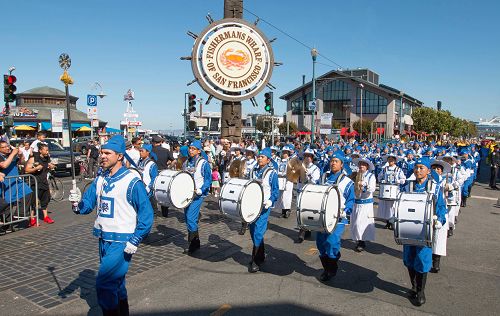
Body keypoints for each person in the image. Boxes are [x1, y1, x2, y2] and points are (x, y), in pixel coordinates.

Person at [69, 135, 153, 315]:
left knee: (105, 284)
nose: (102, 156)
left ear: (120, 156)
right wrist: (76, 203)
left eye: (107, 153)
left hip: (122, 242)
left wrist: (136, 239)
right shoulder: (100, 179)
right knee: (117, 284)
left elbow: (147, 216)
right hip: (103, 239)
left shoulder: (132, 182)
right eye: (101, 152)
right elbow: (87, 206)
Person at [395, 157, 447, 306]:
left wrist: (440, 220)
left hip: (425, 231)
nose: (418, 170)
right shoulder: (407, 187)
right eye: (416, 167)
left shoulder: (435, 187)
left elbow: (442, 207)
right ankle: (413, 286)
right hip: (408, 230)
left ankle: (421, 291)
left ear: (428, 171)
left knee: (422, 260)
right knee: (409, 259)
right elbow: (400, 204)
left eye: (421, 168)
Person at [317, 150, 355, 281]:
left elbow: (351, 200)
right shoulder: (322, 178)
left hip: (337, 218)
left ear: (342, 164)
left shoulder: (347, 182)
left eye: (336, 161)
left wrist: (346, 211)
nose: (333, 163)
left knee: (332, 242)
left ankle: (331, 269)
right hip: (321, 217)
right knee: (321, 244)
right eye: (332, 161)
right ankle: (326, 268)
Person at [248, 147, 279, 273]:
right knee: (252, 231)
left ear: (268, 160)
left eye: (262, 157)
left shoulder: (272, 173)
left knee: (258, 232)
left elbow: (275, 190)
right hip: (252, 206)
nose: (259, 158)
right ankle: (261, 254)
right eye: (259, 156)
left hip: (264, 207)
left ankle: (255, 261)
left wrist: (271, 200)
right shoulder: (253, 171)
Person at [182, 140, 211, 254]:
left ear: (199, 151)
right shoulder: (186, 162)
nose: (191, 150)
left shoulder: (203, 163)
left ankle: (192, 244)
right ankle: (196, 241)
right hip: (187, 193)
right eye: (190, 148)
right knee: (187, 218)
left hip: (198, 194)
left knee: (190, 218)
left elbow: (208, 179)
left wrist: (202, 189)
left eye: (193, 149)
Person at [0, 141, 32, 223]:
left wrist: (20, 155)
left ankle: (20, 213)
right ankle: (6, 222)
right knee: (7, 202)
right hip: (6, 183)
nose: (7, 148)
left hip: (16, 181)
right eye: (4, 147)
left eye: (8, 146)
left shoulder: (11, 155)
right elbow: (4, 165)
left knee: (28, 192)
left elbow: (22, 162)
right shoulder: (2, 156)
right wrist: (12, 154)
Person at [25, 142, 56, 225]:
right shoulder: (34, 158)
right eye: (45, 150)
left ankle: (46, 217)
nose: (47, 152)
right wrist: (35, 169)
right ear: (40, 150)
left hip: (44, 182)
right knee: (34, 202)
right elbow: (26, 170)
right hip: (35, 182)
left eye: (48, 150)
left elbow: (46, 168)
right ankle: (32, 219)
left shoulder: (47, 158)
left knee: (45, 200)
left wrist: (50, 167)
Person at [351, 157, 376, 252]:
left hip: (366, 203)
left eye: (364, 164)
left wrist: (365, 185)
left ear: (367, 166)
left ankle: (362, 241)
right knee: (355, 222)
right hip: (356, 202)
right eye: (360, 164)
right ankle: (358, 239)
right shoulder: (356, 175)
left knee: (361, 223)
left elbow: (372, 189)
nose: (361, 166)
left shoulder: (371, 176)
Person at [296, 148, 321, 243]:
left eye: (309, 156)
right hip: (300, 190)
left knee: (307, 211)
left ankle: (304, 231)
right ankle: (303, 230)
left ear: (312, 158)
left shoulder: (315, 168)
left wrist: (309, 175)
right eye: (305, 156)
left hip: (309, 192)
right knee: (299, 211)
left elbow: (315, 182)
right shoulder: (300, 166)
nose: (307, 158)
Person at [377, 154, 406, 229]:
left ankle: (393, 222)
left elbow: (403, 179)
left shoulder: (398, 170)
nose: (390, 161)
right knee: (387, 207)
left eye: (392, 160)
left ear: (395, 161)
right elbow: (379, 177)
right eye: (389, 159)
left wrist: (398, 181)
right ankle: (387, 222)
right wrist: (382, 180)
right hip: (386, 190)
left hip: (395, 190)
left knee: (393, 207)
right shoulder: (385, 169)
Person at [138, 144, 159, 212]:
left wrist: (148, 188)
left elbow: (154, 178)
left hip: (147, 191)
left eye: (142, 151)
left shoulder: (152, 164)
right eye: (140, 151)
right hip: (140, 189)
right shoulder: (139, 162)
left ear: (148, 152)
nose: (140, 152)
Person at [275, 145, 294, 218]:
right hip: (280, 179)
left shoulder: (291, 160)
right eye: (283, 152)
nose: (284, 154)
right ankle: (282, 211)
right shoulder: (279, 160)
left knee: (287, 195)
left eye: (286, 152)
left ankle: (287, 210)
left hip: (288, 179)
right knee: (281, 196)